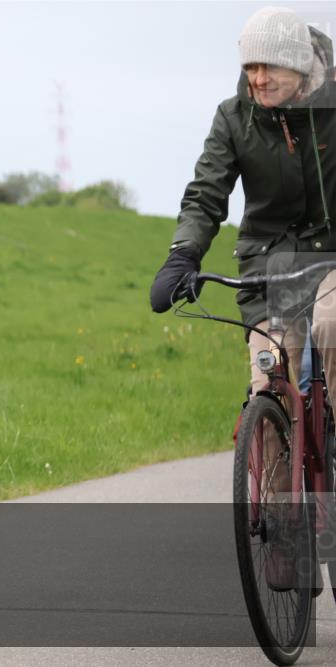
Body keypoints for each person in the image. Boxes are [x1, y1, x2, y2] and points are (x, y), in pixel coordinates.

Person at [150, 8, 333, 589]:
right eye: (248, 66)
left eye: (268, 66)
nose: (256, 78)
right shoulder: (234, 118)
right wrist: (183, 254)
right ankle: (286, 536)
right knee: (269, 376)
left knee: (332, 326)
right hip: (267, 265)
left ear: (300, 66)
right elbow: (206, 195)